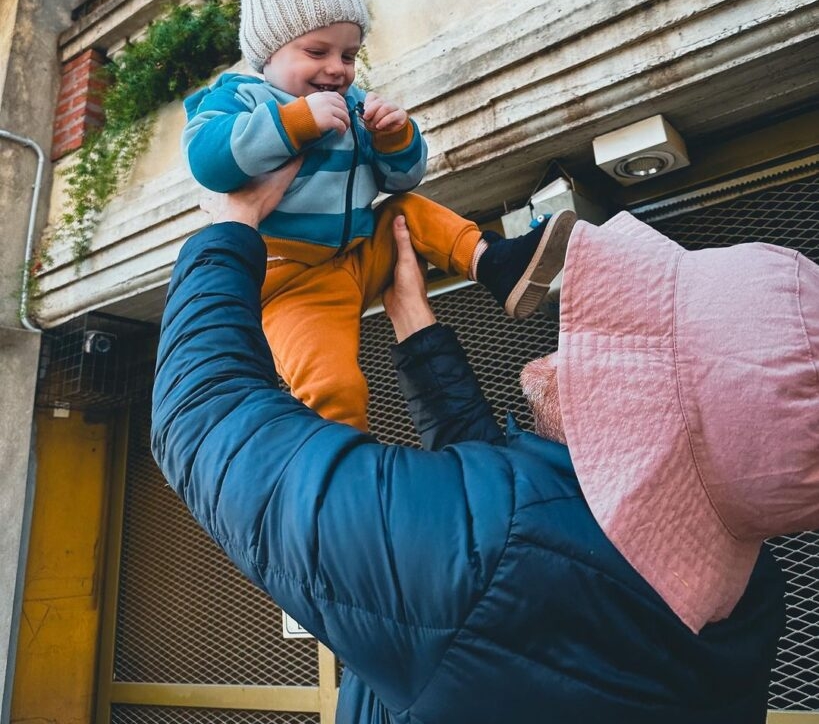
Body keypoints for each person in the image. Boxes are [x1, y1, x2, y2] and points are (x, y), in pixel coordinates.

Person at [152, 163, 819, 723]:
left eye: (620, 343)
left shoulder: (488, 561)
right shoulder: (749, 600)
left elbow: (203, 415)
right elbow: (521, 546)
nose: (567, 344)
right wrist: (414, 323)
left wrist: (228, 227)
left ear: (647, 415)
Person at [181, 0, 575, 430]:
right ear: (268, 54)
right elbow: (208, 160)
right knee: (331, 387)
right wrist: (294, 121)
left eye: (348, 55)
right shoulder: (243, 97)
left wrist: (394, 136)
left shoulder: (355, 103)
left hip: (361, 254)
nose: (338, 69)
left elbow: (405, 177)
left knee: (406, 212)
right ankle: (340, 467)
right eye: (316, 52)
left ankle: (496, 265)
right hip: (293, 281)